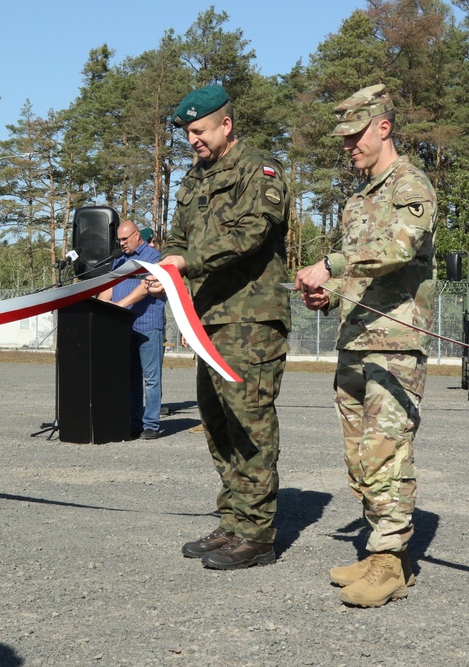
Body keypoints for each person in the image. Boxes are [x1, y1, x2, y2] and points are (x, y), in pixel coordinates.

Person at [294, 84, 437, 607]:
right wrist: (325, 296)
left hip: (396, 344)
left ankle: (392, 561)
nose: (348, 146)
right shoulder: (358, 200)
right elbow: (357, 271)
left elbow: (398, 247)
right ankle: (380, 553)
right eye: (344, 138)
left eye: (355, 135)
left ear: (384, 127)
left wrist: (330, 265)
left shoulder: (410, 184)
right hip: (356, 341)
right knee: (359, 456)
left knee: (387, 450)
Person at [148, 84, 291, 570]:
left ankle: (258, 533)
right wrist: (164, 272)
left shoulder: (261, 170)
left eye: (200, 130)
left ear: (225, 124)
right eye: (187, 133)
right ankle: (232, 521)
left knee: (249, 420)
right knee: (216, 422)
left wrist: (187, 261)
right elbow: (178, 237)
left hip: (250, 320)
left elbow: (252, 232)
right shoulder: (192, 180)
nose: (192, 140)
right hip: (206, 319)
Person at [98, 220, 164, 440]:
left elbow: (145, 287)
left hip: (147, 326)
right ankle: (134, 422)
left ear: (137, 235)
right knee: (131, 378)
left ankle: (151, 424)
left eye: (125, 239)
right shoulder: (119, 260)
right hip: (124, 327)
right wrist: (99, 309)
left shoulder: (153, 257)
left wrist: (118, 306)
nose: (122, 243)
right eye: (119, 239)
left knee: (151, 377)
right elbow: (108, 289)